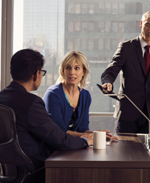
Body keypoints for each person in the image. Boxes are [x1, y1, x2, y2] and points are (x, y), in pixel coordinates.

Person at [0, 49, 93, 180]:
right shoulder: (32, 103)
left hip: (10, 172)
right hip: (37, 171)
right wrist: (86, 140)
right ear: (36, 75)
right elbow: (60, 139)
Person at [101, 10, 150, 133]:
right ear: (141, 24)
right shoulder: (126, 47)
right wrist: (108, 82)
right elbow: (110, 72)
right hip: (127, 113)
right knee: (122, 151)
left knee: (148, 152)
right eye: (147, 25)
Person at [43, 51, 116, 140]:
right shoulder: (53, 94)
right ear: (63, 71)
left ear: (84, 71)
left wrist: (97, 134)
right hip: (53, 148)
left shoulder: (85, 95)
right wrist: (89, 136)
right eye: (68, 68)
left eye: (77, 68)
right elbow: (59, 131)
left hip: (73, 145)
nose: (72, 72)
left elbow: (83, 129)